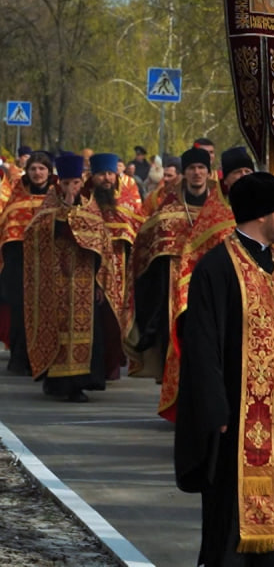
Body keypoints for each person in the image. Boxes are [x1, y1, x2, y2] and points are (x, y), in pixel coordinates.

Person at [174, 172, 274, 565]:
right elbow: (202, 344)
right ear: (263, 214)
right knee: (232, 511)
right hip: (239, 420)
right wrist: (214, 408)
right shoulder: (218, 267)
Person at [132, 147, 237, 421]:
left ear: (208, 170)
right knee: (176, 345)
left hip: (212, 286)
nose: (196, 172)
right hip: (174, 288)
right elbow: (150, 237)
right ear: (184, 172)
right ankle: (180, 404)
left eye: (201, 168)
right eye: (191, 168)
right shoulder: (170, 206)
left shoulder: (221, 207)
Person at [24, 153, 124, 403]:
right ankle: (56, 382)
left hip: (84, 281)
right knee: (57, 330)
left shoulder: (90, 206)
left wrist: (100, 281)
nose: (72, 187)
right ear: (60, 183)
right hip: (54, 281)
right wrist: (64, 211)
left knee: (86, 331)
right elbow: (34, 234)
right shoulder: (48, 206)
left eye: (76, 183)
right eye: (67, 183)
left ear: (82, 182)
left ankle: (79, 384)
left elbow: (103, 245)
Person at [1, 151, 53, 375]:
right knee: (20, 312)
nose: (37, 173)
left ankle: (46, 359)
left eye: (42, 169)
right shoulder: (17, 199)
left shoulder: (56, 198)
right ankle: (20, 358)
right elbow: (7, 231)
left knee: (47, 312)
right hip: (19, 264)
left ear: (49, 172)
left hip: (50, 265)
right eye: (33, 169)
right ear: (27, 172)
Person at [83, 154, 139, 363]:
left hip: (119, 264)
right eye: (100, 174)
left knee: (116, 313)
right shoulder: (84, 198)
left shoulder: (127, 199)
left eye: (110, 174)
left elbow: (135, 226)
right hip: (89, 264)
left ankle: (114, 359)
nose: (106, 178)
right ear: (92, 176)